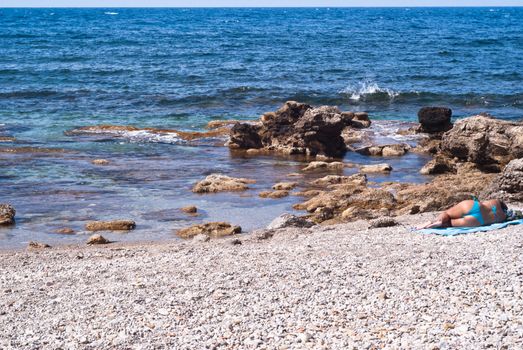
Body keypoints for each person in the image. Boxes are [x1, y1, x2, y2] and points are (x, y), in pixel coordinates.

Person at [417, 197, 509, 229]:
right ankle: (441, 224)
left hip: (474, 206)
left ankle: (434, 221)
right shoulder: (502, 217)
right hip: (477, 221)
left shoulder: (495, 201)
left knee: (447, 214)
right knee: (449, 224)